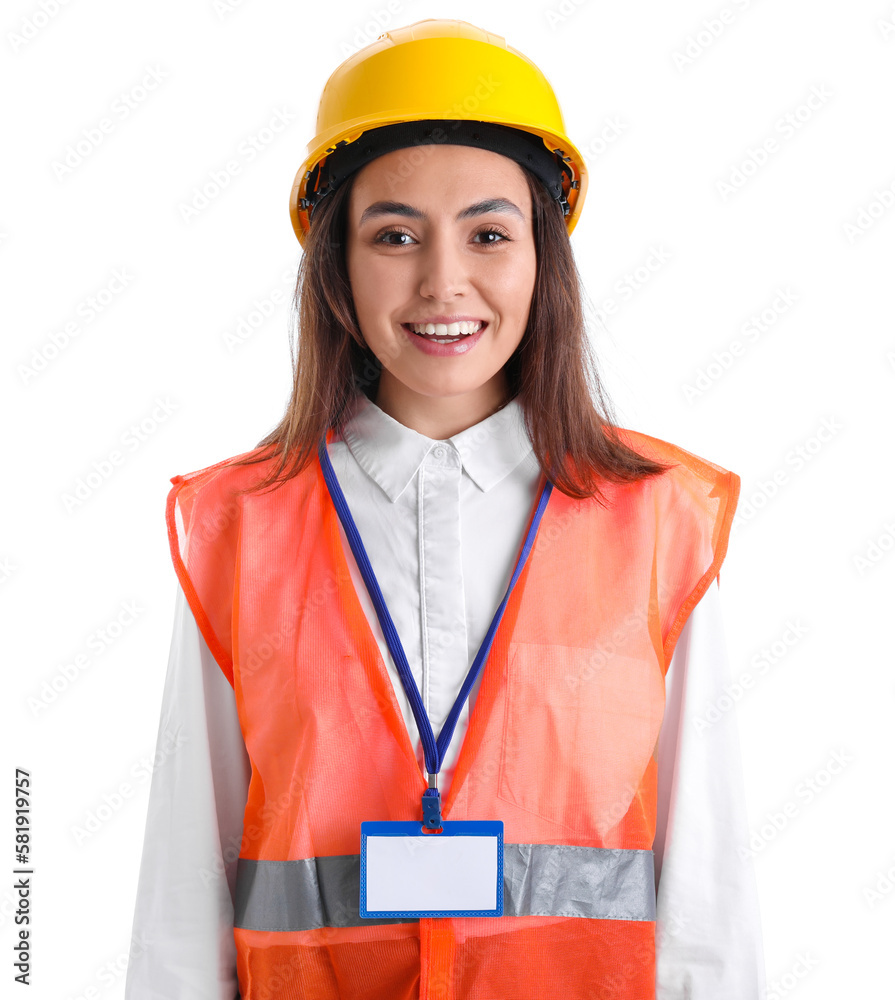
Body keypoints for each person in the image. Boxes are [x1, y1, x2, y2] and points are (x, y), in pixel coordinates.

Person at [125, 18, 765, 1000]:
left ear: (542, 257)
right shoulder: (239, 530)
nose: (442, 280)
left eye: (488, 233)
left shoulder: (661, 527)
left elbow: (707, 918)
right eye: (393, 235)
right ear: (335, 261)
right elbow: (182, 905)